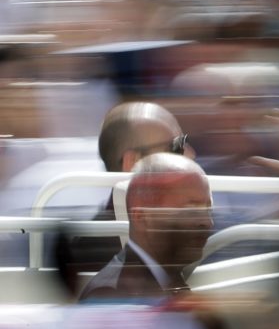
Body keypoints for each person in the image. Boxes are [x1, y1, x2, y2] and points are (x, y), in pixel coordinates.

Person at [62, 101, 193, 282]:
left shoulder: (188, 223)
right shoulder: (94, 250)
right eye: (176, 147)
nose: (190, 155)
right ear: (133, 163)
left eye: (185, 142)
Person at [79, 153, 213, 300]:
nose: (207, 222)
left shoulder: (166, 276)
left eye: (208, 210)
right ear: (141, 217)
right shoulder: (112, 295)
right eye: (190, 210)